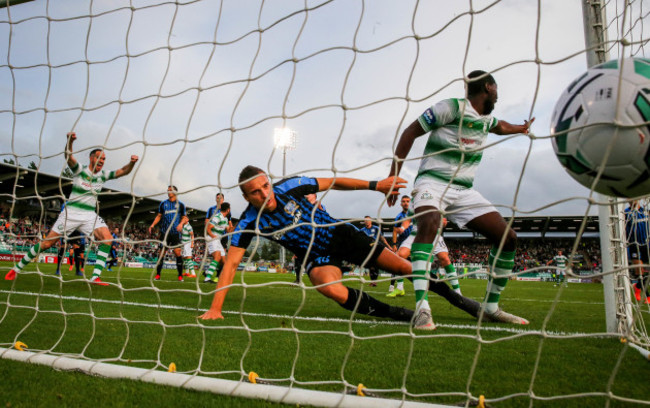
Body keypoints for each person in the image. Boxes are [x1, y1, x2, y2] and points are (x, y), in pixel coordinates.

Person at [199, 166, 486, 329]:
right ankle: (406, 316)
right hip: (315, 255)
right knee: (329, 288)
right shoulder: (249, 221)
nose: (264, 194)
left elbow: (333, 182)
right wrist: (215, 309)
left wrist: (376, 185)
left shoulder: (291, 186)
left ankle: (466, 304)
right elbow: (232, 264)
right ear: (245, 196)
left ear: (270, 183)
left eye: (265, 186)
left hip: (341, 235)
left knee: (404, 267)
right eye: (255, 192)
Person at [386, 70, 534, 324]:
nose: (497, 95)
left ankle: (490, 307)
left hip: (463, 190)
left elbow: (501, 126)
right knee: (430, 224)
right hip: (432, 182)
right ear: (488, 87)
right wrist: (393, 177)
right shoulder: (451, 108)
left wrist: (520, 128)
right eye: (496, 89)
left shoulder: (486, 120)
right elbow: (410, 132)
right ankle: (422, 309)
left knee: (508, 238)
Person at [5, 132, 138, 285]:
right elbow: (68, 157)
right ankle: (16, 269)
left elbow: (123, 171)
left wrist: (132, 163)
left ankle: (95, 277)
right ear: (91, 158)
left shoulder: (103, 175)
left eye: (104, 159)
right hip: (71, 213)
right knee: (47, 243)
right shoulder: (80, 170)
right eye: (99, 158)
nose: (102, 161)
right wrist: (69, 141)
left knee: (107, 239)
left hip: (89, 215)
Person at [396, 210, 462, 296]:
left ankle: (458, 293)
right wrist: (402, 228)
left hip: (434, 234)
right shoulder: (414, 201)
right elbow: (408, 219)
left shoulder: (437, 200)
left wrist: (443, 222)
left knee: (445, 259)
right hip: (416, 234)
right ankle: (400, 287)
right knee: (400, 255)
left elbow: (443, 218)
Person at [148, 186, 188, 282]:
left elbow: (185, 218)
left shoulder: (181, 205)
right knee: (161, 253)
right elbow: (159, 216)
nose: (169, 192)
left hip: (175, 233)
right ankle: (158, 275)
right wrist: (152, 225)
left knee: (177, 253)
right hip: (164, 233)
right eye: (168, 190)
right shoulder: (163, 203)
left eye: (171, 190)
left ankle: (180, 276)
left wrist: (181, 224)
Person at [624, 201, 650, 303]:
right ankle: (647, 296)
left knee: (646, 272)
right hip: (634, 244)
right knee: (639, 271)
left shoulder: (645, 211)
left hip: (647, 244)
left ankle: (637, 286)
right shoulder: (626, 213)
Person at [387, 195, 413, 297]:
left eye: (407, 201)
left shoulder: (416, 213)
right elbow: (394, 231)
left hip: (417, 242)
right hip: (404, 243)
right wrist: (394, 244)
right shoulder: (399, 217)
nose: (406, 203)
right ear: (401, 204)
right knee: (398, 262)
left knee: (421, 265)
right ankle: (398, 287)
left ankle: (433, 284)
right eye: (404, 201)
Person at [359, 216, 391, 286]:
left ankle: (374, 281)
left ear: (371, 221)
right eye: (365, 220)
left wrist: (389, 246)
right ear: (364, 221)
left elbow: (382, 238)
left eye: (368, 220)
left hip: (376, 248)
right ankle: (373, 281)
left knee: (375, 265)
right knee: (371, 266)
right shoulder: (362, 230)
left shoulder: (376, 229)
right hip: (367, 249)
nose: (367, 221)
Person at [204, 203, 231, 283]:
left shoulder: (225, 219)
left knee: (223, 261)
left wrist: (235, 226)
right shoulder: (217, 217)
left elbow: (228, 231)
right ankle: (207, 278)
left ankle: (207, 272)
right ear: (228, 210)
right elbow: (208, 228)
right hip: (212, 238)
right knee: (217, 257)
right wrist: (213, 236)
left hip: (217, 240)